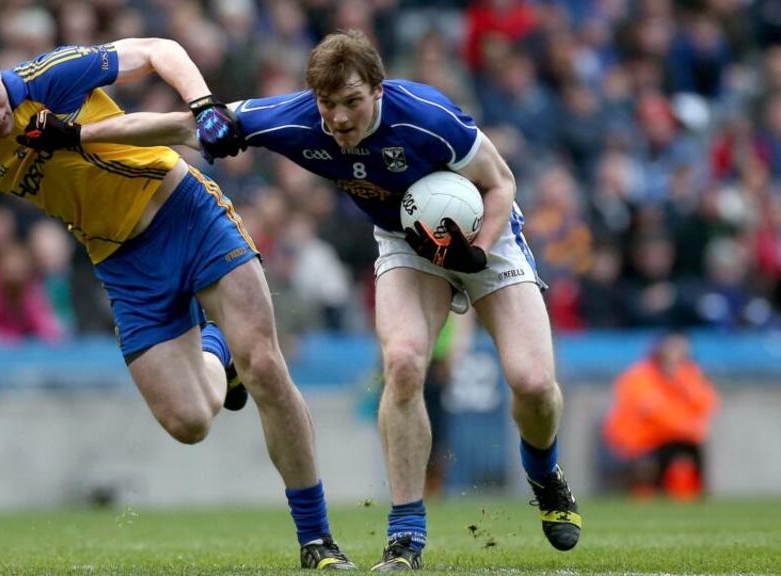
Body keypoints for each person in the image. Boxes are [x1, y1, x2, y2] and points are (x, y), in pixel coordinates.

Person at [0, 37, 355, 571]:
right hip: (123, 265)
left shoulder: (52, 77)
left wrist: (203, 105)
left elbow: (157, 49)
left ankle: (317, 541)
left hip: (188, 214)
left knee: (265, 366)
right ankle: (218, 350)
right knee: (188, 422)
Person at [198, 29, 582, 570]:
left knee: (535, 384)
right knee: (402, 363)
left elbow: (501, 182)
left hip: (485, 239)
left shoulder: (430, 116)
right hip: (406, 241)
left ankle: (545, 474)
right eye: (328, 105)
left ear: (378, 90)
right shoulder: (300, 118)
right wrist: (187, 124)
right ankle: (405, 536)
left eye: (352, 102)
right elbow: (217, 117)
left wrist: (476, 248)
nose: (339, 118)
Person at [603, 332, 719, 499]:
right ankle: (648, 495)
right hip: (640, 439)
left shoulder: (688, 375)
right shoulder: (639, 375)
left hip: (671, 437)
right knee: (653, 462)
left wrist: (682, 384)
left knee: (692, 450)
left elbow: (706, 403)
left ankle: (696, 495)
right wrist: (684, 426)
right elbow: (652, 410)